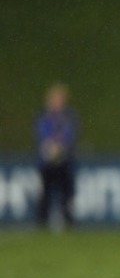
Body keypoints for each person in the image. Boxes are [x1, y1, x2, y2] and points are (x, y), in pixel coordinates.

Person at [35, 83, 79, 228]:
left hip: (65, 160)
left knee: (66, 192)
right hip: (47, 161)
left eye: (58, 98)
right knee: (45, 192)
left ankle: (68, 221)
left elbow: (71, 135)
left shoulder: (68, 116)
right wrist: (50, 147)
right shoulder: (43, 115)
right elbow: (40, 133)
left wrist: (60, 148)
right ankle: (42, 221)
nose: (56, 101)